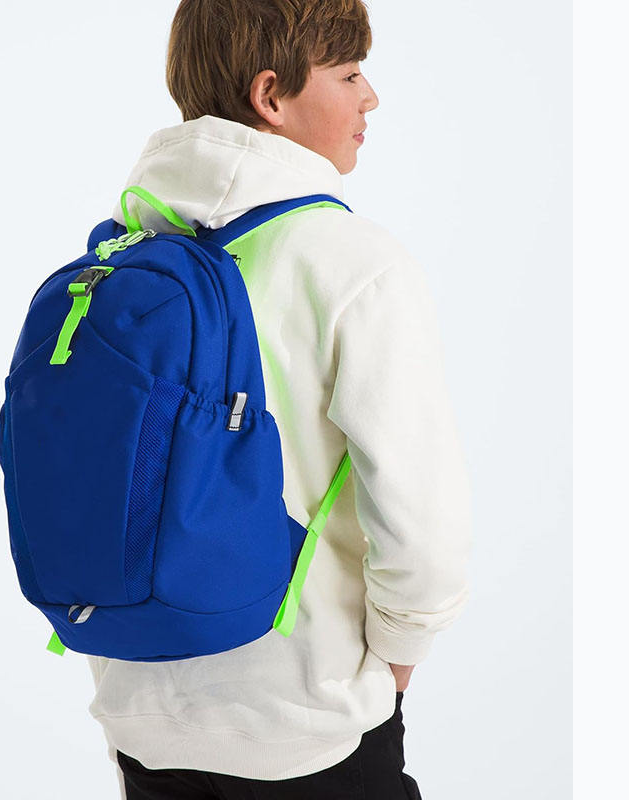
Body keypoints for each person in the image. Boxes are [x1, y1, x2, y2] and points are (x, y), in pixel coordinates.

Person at [87, 1, 472, 797]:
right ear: (271, 96)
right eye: (349, 73)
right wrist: (394, 663)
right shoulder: (353, 261)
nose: (371, 97)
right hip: (310, 728)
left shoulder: (119, 262)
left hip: (143, 720)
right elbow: (420, 518)